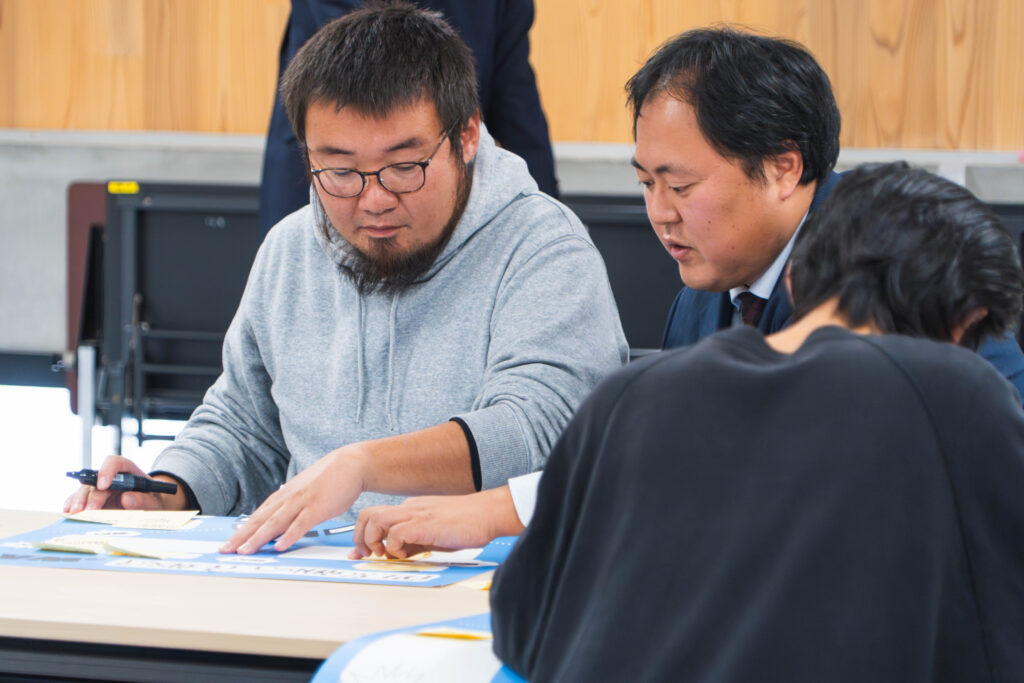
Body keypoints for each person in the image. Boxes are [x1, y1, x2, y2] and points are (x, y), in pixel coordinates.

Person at [347, 26, 1024, 560]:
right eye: (646, 184)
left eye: (680, 186)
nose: (660, 213)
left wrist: (502, 510)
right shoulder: (705, 292)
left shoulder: (898, 257)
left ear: (783, 167)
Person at [64, 3, 627, 555]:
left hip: (482, 586)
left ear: (467, 135)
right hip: (315, 580)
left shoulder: (542, 248)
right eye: (339, 170)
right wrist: (167, 491)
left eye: (404, 167)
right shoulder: (290, 248)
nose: (374, 199)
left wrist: (362, 464)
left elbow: (542, 431)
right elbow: (244, 426)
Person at [490, 161, 1024, 681]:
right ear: (967, 322)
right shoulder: (955, 394)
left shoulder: (629, 394)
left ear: (792, 277)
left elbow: (524, 624)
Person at [260, 0, 559, 233]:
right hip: (328, 183)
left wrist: (545, 226)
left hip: (452, 176)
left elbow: (516, 109)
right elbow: (357, 78)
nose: (376, 203)